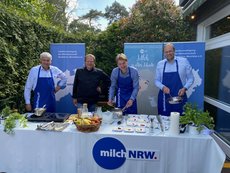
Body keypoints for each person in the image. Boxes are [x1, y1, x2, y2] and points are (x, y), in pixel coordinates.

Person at [155, 43, 194, 116]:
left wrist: (185, 88)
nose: (168, 53)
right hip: (164, 98)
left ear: (174, 51)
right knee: (164, 120)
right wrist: (162, 87)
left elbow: (191, 78)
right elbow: (156, 81)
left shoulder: (184, 61)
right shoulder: (160, 64)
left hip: (179, 97)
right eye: (166, 52)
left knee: (180, 121)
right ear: (164, 53)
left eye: (170, 51)